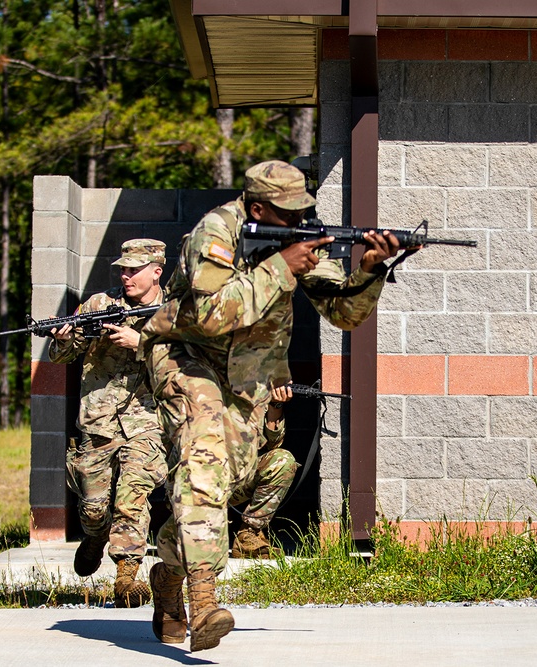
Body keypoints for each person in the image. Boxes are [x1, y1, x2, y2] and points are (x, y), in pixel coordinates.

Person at [140, 159, 406, 651]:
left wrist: (369, 269)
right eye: (289, 213)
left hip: (245, 378)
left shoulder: (297, 237)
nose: (300, 222)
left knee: (222, 487)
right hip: (186, 356)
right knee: (203, 459)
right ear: (259, 208)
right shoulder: (216, 232)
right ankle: (204, 604)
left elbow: (344, 314)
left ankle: (170, 578)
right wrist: (281, 267)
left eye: (304, 210)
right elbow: (208, 315)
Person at [49, 239, 168, 608]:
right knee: (94, 508)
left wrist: (142, 342)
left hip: (148, 422)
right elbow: (62, 357)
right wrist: (63, 340)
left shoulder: (176, 312)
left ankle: (126, 577)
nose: (126, 275)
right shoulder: (100, 305)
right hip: (98, 420)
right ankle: (95, 537)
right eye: (123, 269)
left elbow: (190, 362)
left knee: (132, 497)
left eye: (134, 269)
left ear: (156, 272)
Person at [229, 383, 297, 559]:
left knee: (282, 461)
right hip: (198, 482)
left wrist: (275, 404)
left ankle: (249, 534)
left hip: (236, 479)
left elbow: (273, 443)